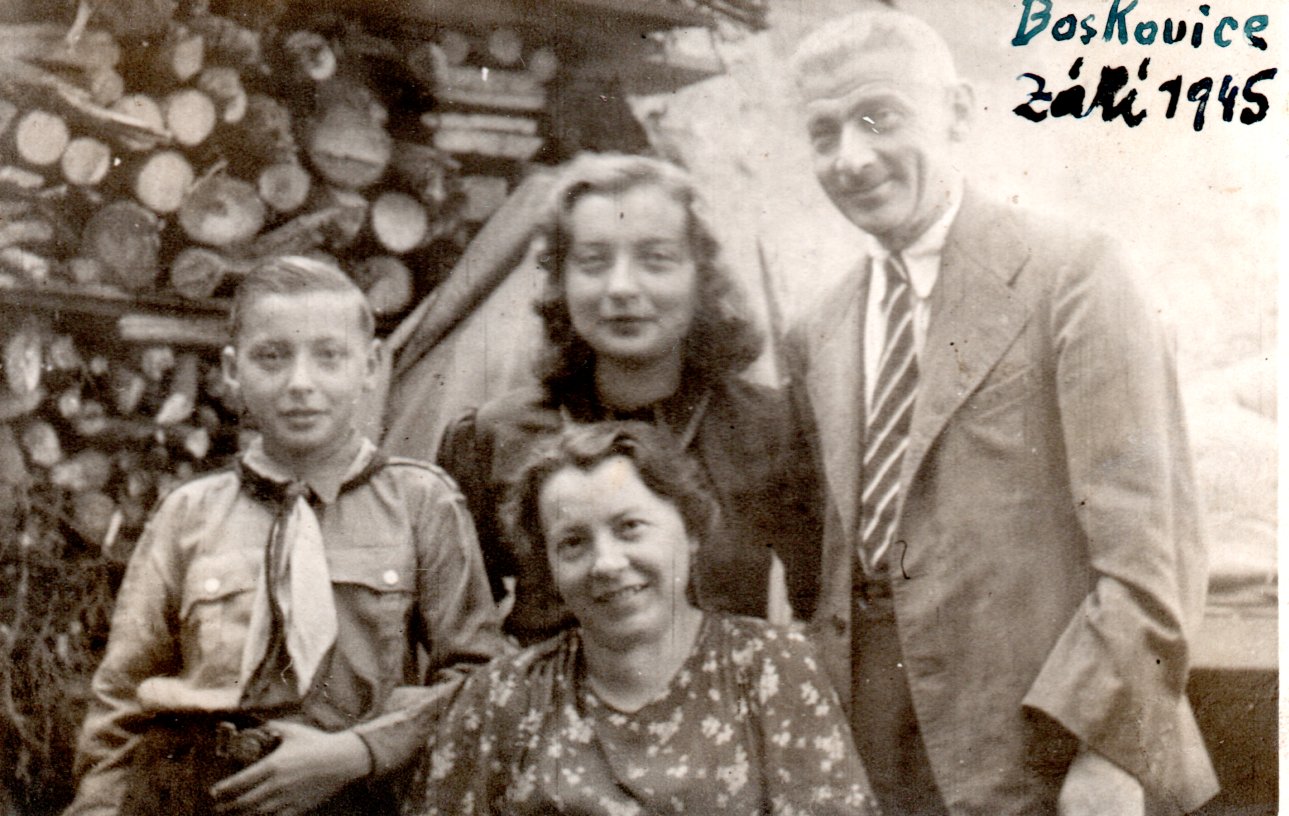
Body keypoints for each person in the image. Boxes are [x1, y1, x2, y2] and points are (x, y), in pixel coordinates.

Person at [782, 9, 1218, 816]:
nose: (851, 158)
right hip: (868, 750)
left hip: (1038, 746)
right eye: (823, 133)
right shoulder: (818, 329)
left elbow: (1149, 552)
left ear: (954, 112)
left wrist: (1106, 752)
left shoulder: (1073, 274)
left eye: (879, 118)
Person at [66, 256, 510, 816]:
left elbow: (478, 677)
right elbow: (121, 698)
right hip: (196, 795)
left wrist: (358, 751)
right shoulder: (189, 513)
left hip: (355, 796)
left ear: (371, 366)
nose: (301, 383)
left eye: (329, 356)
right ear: (232, 370)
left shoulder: (421, 503)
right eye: (272, 357)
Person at [438, 152, 821, 645]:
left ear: (701, 278)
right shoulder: (493, 437)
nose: (620, 288)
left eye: (655, 260)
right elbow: (460, 632)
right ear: (560, 281)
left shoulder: (772, 429)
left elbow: (823, 605)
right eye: (593, 262)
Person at [421, 421, 875, 815]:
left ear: (691, 530)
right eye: (573, 543)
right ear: (549, 566)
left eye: (630, 528)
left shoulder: (773, 669)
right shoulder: (502, 698)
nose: (607, 563)